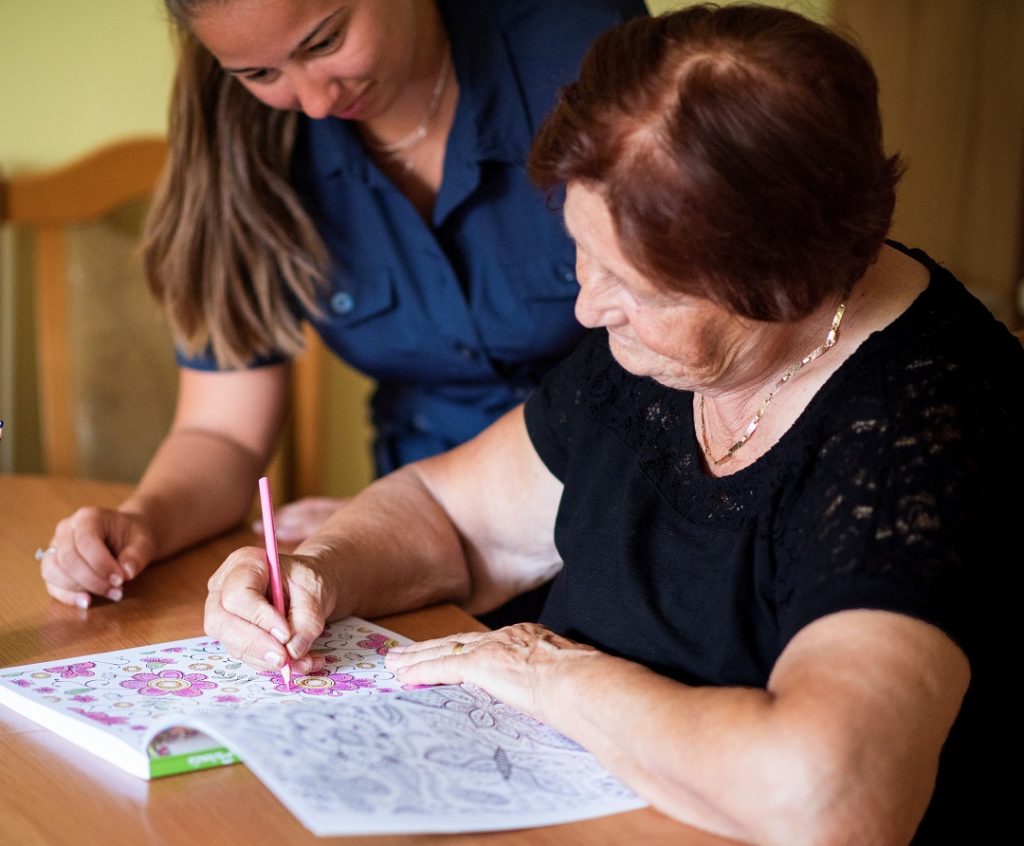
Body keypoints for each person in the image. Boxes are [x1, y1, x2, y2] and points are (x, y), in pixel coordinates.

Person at [203, 5, 1022, 843]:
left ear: (786, 278)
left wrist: (548, 674)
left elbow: (824, 800)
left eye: (636, 289)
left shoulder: (921, 432)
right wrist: (318, 571)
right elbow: (453, 520)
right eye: (581, 257)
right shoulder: (662, 352)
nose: (589, 308)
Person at [36, 0, 647, 610]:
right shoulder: (244, 142)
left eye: (324, 42)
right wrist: (144, 522)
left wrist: (428, 521)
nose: (317, 103)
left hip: (635, 515)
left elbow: (705, 350)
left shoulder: (581, 46)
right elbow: (221, 428)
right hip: (425, 548)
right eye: (261, 74)